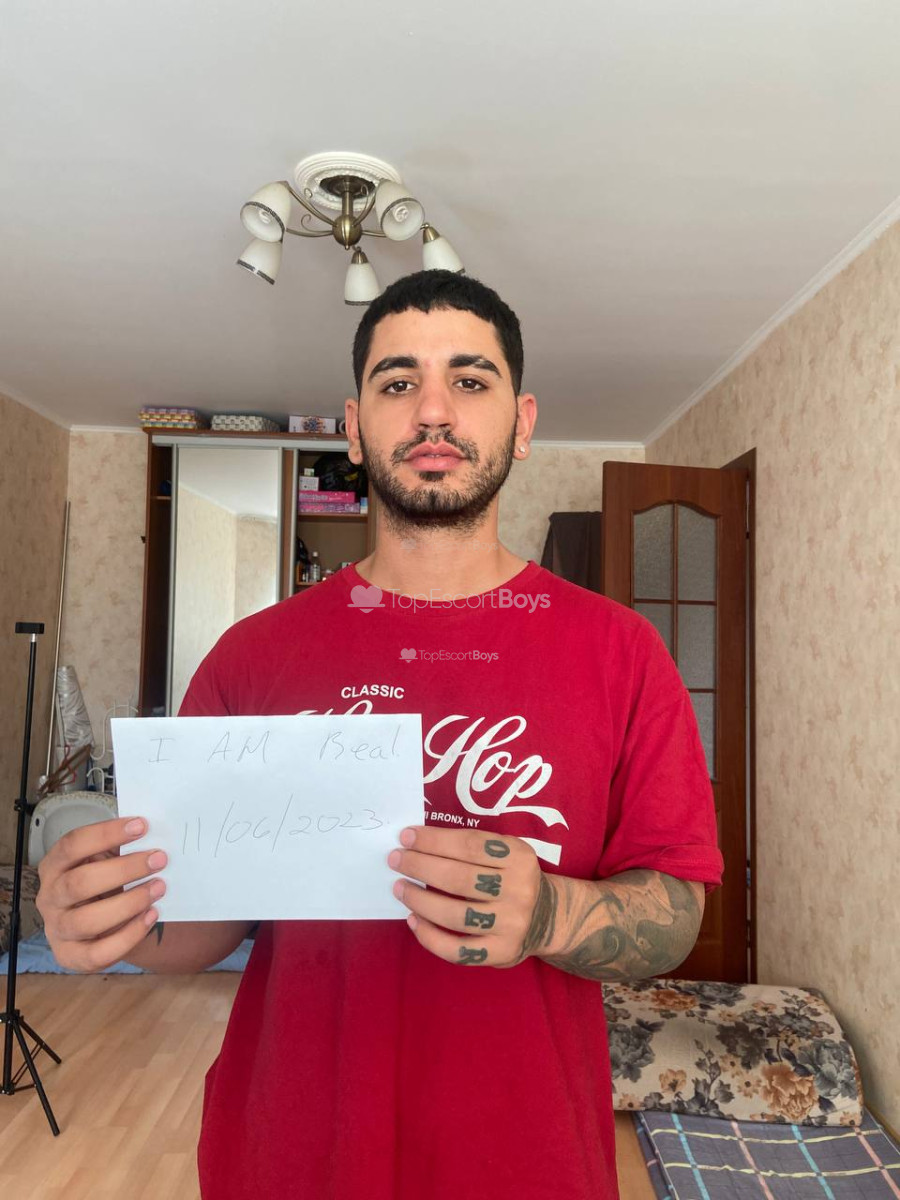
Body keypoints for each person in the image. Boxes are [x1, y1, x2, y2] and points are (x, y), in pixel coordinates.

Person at [36, 269, 724, 1199]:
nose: (433, 410)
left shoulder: (623, 653)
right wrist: (113, 920)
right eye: (400, 382)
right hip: (289, 1154)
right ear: (355, 427)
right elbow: (203, 920)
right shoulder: (252, 657)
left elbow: (676, 910)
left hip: (528, 1161)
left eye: (469, 380)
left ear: (522, 422)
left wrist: (550, 915)